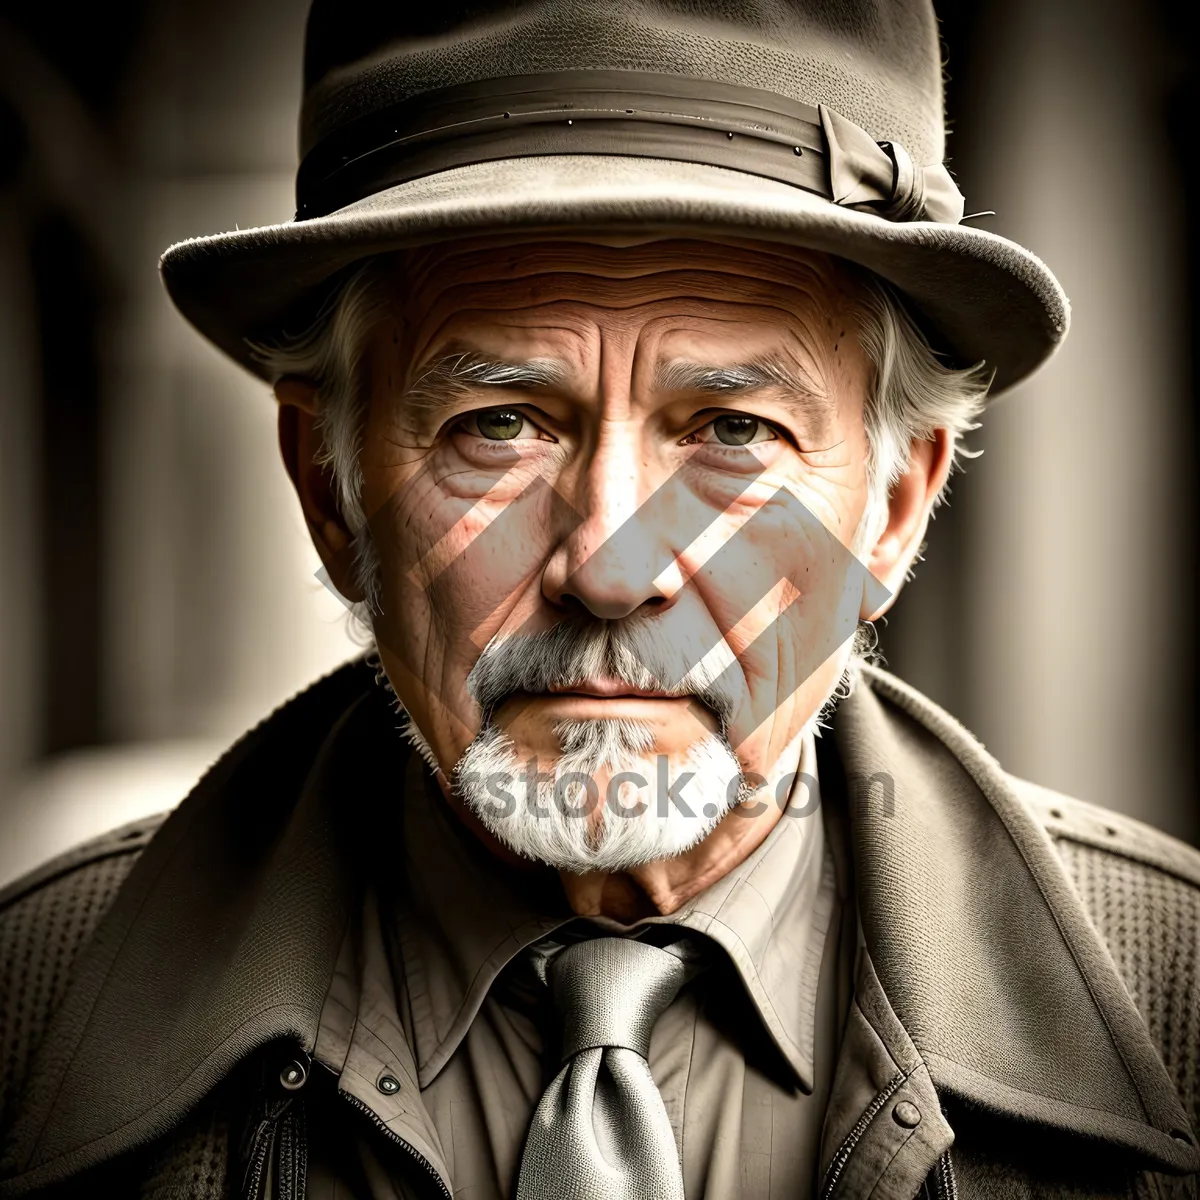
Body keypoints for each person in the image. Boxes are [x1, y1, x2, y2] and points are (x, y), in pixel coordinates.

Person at [2, 2, 1197, 1198]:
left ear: (892, 508)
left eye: (733, 431)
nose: (612, 568)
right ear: (330, 484)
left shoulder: (1182, 1000)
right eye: (500, 425)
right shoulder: (22, 1018)